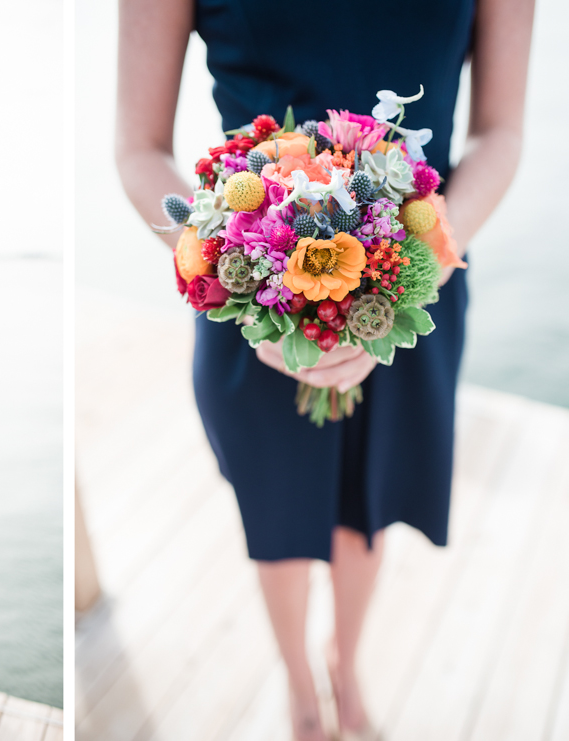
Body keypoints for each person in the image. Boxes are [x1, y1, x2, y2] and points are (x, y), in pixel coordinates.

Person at [115, 0, 532, 738]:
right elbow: (138, 148)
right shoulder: (246, 279)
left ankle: (346, 664)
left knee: (367, 500)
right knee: (276, 506)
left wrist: (407, 272)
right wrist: (240, 274)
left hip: (417, 275)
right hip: (250, 288)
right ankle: (302, 690)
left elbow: (499, 133)